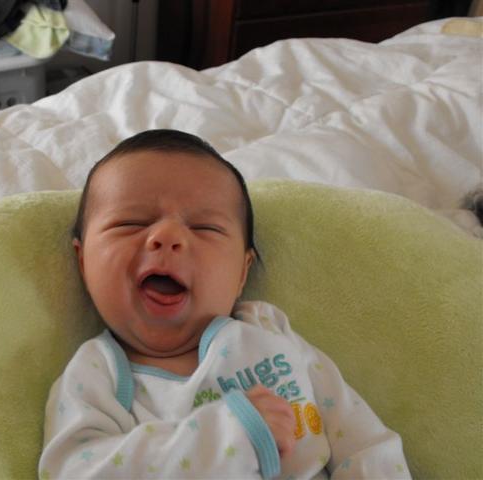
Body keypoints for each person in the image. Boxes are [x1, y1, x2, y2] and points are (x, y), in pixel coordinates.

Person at [39, 129, 411, 479]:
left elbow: (361, 437)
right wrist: (230, 433)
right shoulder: (96, 372)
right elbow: (74, 470)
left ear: (241, 273)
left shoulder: (268, 332)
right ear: (83, 260)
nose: (167, 235)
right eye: (131, 222)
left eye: (205, 228)